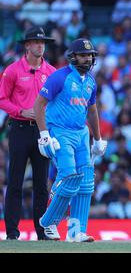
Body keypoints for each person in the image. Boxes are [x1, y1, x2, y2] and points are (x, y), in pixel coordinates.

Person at [33, 38, 107, 242]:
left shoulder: (91, 81)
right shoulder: (60, 77)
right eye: (83, 55)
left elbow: (92, 111)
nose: (88, 58)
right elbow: (38, 105)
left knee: (86, 182)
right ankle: (49, 222)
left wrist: (98, 140)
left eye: (90, 55)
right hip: (59, 131)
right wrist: (44, 134)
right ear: (73, 57)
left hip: (81, 133)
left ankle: (76, 231)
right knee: (69, 178)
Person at [0, 26, 56, 240]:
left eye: (43, 42)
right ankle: (12, 233)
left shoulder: (50, 72)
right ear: (27, 45)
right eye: (36, 42)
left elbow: (57, 102)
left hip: (42, 131)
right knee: (15, 182)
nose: (41, 46)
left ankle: (42, 232)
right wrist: (21, 110)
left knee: (42, 184)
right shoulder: (13, 70)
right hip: (20, 129)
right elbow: (2, 98)